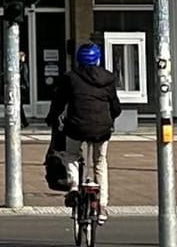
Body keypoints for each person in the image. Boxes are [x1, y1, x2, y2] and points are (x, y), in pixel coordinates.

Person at [45, 41, 119, 222]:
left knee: (71, 154)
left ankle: (74, 187)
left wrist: (51, 118)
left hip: (76, 127)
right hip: (102, 129)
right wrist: (110, 118)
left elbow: (59, 103)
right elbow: (116, 106)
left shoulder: (70, 78)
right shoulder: (108, 78)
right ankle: (102, 206)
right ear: (98, 59)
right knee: (100, 162)